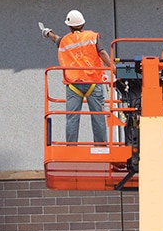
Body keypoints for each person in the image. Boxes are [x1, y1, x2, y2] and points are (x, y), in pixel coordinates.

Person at [39, 10, 112, 144]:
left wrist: (47, 32)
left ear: (69, 26)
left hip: (73, 85)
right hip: (93, 82)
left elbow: (55, 38)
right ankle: (101, 147)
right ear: (83, 23)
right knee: (98, 117)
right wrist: (113, 68)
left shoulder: (65, 40)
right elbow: (102, 52)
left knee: (72, 118)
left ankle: (71, 147)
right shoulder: (92, 36)